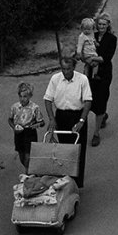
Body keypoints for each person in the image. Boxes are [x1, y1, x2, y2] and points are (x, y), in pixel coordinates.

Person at [43, 55, 92, 188]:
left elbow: (88, 101)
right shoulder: (55, 79)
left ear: (74, 67)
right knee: (63, 150)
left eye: (68, 69)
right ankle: (65, 180)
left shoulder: (82, 79)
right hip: (61, 116)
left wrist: (81, 121)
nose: (65, 72)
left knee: (77, 151)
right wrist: (52, 119)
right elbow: (48, 99)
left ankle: (77, 183)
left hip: (77, 115)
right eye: (63, 69)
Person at [87, 13, 118, 146]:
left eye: (104, 24)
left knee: (101, 100)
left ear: (108, 25)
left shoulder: (112, 39)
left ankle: (96, 133)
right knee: (88, 98)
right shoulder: (90, 36)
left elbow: (106, 57)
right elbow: (83, 50)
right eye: (99, 24)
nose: (101, 27)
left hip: (104, 74)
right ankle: (103, 115)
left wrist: (90, 58)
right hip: (89, 73)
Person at [7, 81, 44, 170]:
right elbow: (10, 119)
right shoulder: (15, 107)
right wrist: (14, 128)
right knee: (22, 155)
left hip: (29, 132)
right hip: (19, 133)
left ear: (30, 96)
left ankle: (28, 174)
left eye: (25, 96)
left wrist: (37, 125)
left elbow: (42, 122)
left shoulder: (35, 108)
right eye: (20, 96)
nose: (22, 99)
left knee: (28, 156)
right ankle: (30, 171)